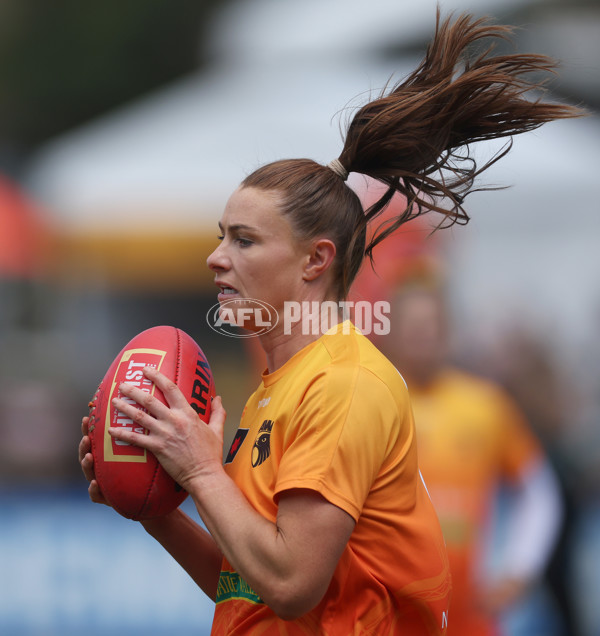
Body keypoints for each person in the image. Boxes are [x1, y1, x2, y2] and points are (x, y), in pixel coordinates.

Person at [78, 11, 580, 635]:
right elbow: (246, 587)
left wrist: (203, 470)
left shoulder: (343, 386)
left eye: (244, 240)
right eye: (220, 237)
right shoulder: (279, 385)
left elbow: (291, 584)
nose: (216, 257)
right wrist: (158, 507)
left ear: (316, 259)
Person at [382, 275, 564, 635]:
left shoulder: (486, 406)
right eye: (412, 325)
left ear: (448, 330)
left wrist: (519, 572)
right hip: (389, 611)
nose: (422, 335)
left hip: (470, 614)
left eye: (431, 324)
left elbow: (540, 493)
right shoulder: (372, 403)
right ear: (390, 332)